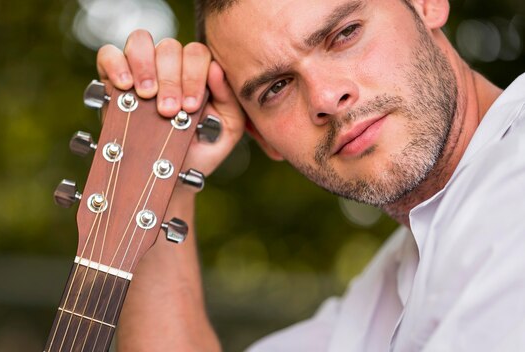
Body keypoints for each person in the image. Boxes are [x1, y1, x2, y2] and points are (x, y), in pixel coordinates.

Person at [96, 0, 525, 350]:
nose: (325, 97)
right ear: (261, 137)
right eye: (276, 88)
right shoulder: (382, 293)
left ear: (426, 4)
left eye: (344, 34)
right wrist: (159, 182)